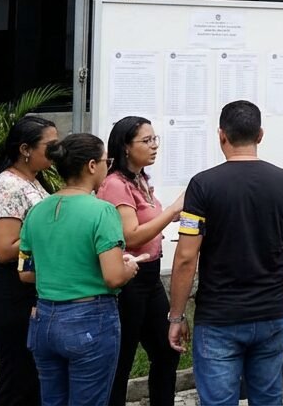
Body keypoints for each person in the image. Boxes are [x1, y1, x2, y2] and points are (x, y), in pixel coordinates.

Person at [168, 101, 283, 406]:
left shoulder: (202, 186)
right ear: (260, 135)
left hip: (218, 316)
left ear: (221, 135)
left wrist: (176, 315)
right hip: (271, 311)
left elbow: (186, 258)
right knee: (269, 399)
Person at [20, 132, 140, 406]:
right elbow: (112, 277)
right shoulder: (102, 211)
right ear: (91, 166)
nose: (107, 166)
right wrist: (129, 268)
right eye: (105, 161)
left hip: (44, 319)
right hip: (89, 319)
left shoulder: (37, 211)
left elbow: (25, 272)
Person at [100, 117, 186, 406]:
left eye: (155, 139)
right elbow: (132, 235)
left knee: (166, 349)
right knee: (122, 359)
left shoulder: (141, 179)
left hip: (150, 276)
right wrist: (173, 209)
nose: (154, 146)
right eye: (146, 141)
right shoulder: (115, 184)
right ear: (126, 147)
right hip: (129, 277)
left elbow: (151, 222)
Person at [0, 116, 57, 406]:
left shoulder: (32, 181)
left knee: (32, 379)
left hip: (29, 287)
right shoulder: (8, 187)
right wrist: (52, 232)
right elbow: (5, 248)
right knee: (16, 380)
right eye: (51, 145)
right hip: (10, 291)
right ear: (25, 149)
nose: (57, 151)